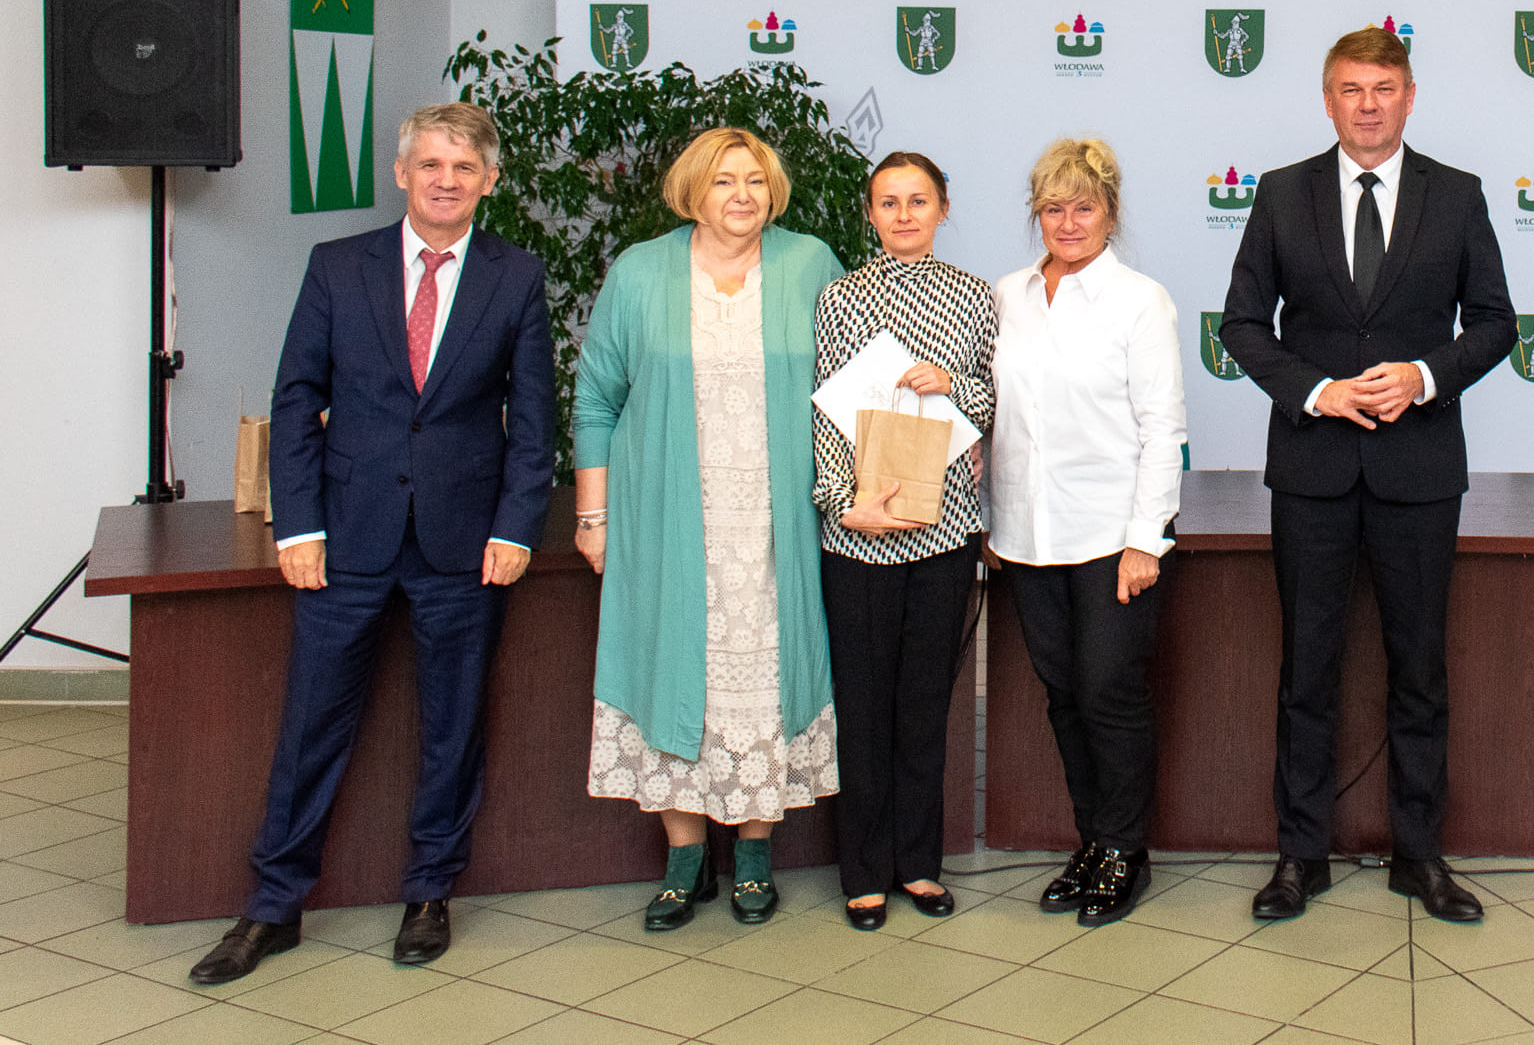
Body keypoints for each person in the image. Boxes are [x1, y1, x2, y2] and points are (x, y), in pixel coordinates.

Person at [190, 103, 554, 984]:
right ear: (401, 173)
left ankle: (429, 893)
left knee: (452, 727)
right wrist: (299, 524)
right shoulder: (337, 265)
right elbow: (295, 399)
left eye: (463, 168)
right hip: (345, 539)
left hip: (464, 544)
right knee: (311, 724)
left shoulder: (515, 275)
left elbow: (536, 417)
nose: (445, 180)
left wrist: (516, 525)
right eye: (430, 164)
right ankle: (272, 905)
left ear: (489, 181)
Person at [1220, 25, 1515, 925]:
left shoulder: (1457, 195)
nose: (1368, 104)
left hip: (1418, 469)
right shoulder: (1281, 193)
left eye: (1384, 88)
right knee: (1306, 671)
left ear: (1410, 97)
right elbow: (1242, 324)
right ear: (1328, 100)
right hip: (1311, 468)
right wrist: (1317, 390)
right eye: (1351, 89)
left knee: (1418, 670)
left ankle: (1418, 855)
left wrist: (1424, 375)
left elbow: (1496, 322)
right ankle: (1299, 856)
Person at [573, 128, 843, 931]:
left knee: (762, 679)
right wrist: (593, 515)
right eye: (724, 180)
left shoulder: (810, 263)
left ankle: (755, 851)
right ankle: (684, 859)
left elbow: (853, 386)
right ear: (694, 190)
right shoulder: (641, 270)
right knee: (672, 670)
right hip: (666, 522)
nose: (742, 195)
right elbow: (595, 400)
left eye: (755, 180)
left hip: (775, 525)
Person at [988, 137, 1185, 928]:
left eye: (1084, 206)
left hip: (1111, 534)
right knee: (1065, 694)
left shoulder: (1140, 300)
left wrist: (1146, 537)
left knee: (1109, 692)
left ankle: (1125, 849)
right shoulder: (1007, 294)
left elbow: (1163, 426)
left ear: (1111, 211)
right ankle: (1093, 842)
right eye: (1052, 207)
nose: (1067, 222)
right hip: (1026, 532)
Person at [812, 152, 996, 931]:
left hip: (943, 529)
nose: (903, 215)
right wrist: (842, 500)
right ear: (870, 213)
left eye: (918, 200)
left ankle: (918, 864)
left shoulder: (976, 295)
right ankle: (863, 871)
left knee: (924, 707)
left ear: (943, 207)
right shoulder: (840, 297)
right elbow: (823, 406)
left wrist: (955, 385)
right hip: (858, 536)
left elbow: (998, 394)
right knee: (862, 707)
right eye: (888, 202)